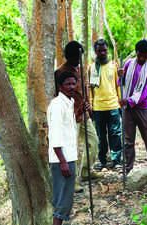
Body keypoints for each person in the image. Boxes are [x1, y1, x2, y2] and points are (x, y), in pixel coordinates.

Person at [54, 41, 99, 193]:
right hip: (70, 116)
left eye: (80, 57)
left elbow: (85, 90)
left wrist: (89, 107)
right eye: (75, 57)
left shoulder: (81, 69)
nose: (78, 60)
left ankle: (86, 171)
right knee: (71, 149)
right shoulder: (60, 72)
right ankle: (72, 181)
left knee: (93, 142)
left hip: (84, 114)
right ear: (69, 57)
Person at [47, 71, 90, 225]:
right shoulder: (58, 105)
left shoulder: (68, 102)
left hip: (68, 157)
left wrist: (79, 112)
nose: (72, 87)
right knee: (62, 203)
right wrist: (63, 162)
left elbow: (68, 126)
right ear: (60, 86)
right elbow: (55, 136)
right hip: (62, 160)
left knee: (64, 200)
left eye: (74, 83)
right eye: (68, 84)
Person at [118, 39, 147, 173]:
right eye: (140, 55)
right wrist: (120, 75)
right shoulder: (129, 63)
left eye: (145, 56)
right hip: (128, 110)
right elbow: (121, 82)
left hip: (143, 108)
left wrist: (128, 101)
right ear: (136, 53)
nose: (141, 58)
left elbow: (145, 90)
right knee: (128, 141)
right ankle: (128, 168)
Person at [88, 39, 123, 171]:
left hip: (113, 105)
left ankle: (116, 160)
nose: (102, 53)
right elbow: (90, 88)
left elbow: (118, 86)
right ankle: (102, 160)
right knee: (100, 136)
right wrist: (91, 106)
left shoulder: (114, 66)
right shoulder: (91, 68)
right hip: (98, 107)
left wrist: (120, 102)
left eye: (104, 50)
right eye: (99, 50)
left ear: (107, 50)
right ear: (95, 52)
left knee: (115, 134)